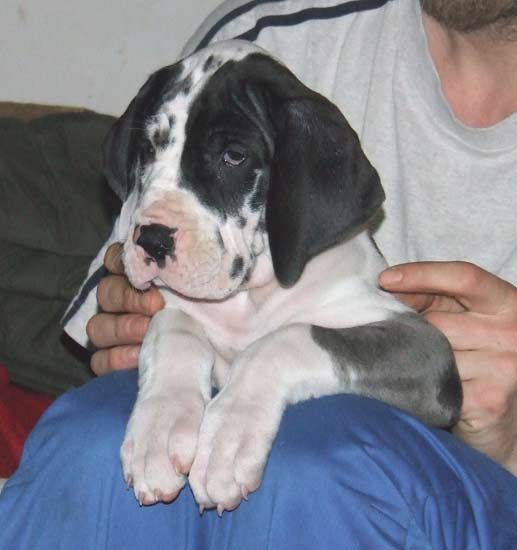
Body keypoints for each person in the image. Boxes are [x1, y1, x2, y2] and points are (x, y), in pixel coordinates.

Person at [1, 0, 517, 548]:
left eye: (232, 157)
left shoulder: (332, 246)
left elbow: (423, 370)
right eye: (152, 148)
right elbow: (120, 326)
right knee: (90, 442)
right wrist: (160, 345)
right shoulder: (263, 36)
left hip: (406, 480)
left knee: (315, 472)